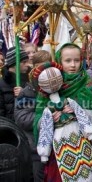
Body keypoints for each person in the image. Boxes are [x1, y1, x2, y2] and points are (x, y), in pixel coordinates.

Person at [33, 43, 92, 182]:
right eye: (68, 61)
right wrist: (49, 119)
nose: (73, 65)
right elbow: (37, 120)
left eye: (77, 60)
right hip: (58, 154)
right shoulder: (47, 87)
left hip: (86, 150)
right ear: (59, 61)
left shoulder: (88, 84)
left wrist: (81, 113)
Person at [14, 50, 51, 182]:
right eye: (40, 67)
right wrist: (47, 118)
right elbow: (22, 119)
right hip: (36, 149)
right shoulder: (27, 92)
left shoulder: (55, 89)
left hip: (55, 149)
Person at [0, 47, 30, 120]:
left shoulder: (30, 80)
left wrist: (25, 93)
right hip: (9, 127)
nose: (27, 64)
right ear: (14, 63)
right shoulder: (2, 84)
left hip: (27, 124)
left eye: (27, 61)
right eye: (24, 62)